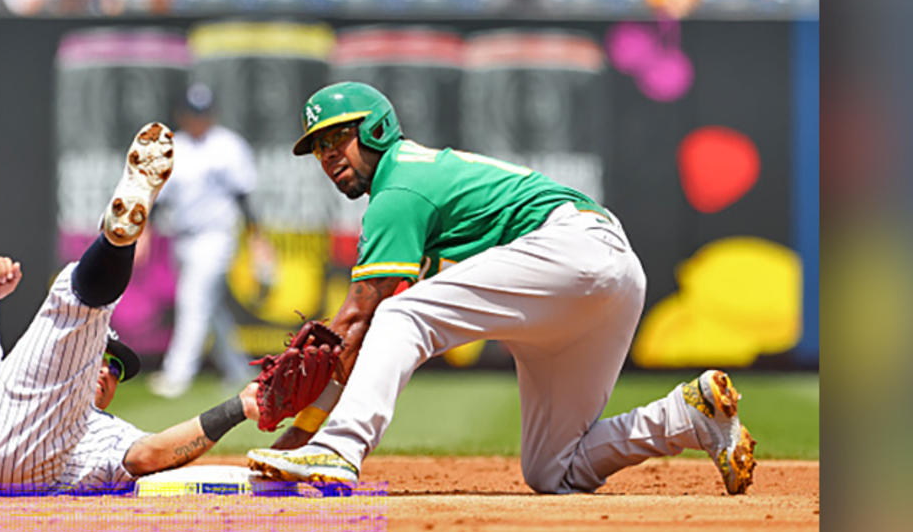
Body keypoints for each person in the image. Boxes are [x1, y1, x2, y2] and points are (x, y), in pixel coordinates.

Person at [246, 82, 757, 495]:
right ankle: (685, 417)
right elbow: (356, 345)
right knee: (552, 472)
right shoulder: (414, 179)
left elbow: (358, 321)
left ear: (378, 129)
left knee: (400, 314)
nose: (328, 155)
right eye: (318, 147)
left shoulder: (398, 187)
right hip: (604, 276)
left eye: (339, 138)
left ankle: (340, 450)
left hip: (572, 250)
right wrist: (295, 443)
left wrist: (297, 434)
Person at [0, 67, 259, 493]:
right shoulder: (23, 388)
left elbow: (150, 453)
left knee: (11, 285)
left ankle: (114, 239)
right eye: (103, 356)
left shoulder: (103, 429)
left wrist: (237, 407)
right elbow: (148, 457)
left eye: (116, 368)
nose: (106, 370)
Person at [146, 83, 270, 399]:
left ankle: (177, 375)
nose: (198, 119)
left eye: (203, 113)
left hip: (216, 237)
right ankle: (239, 370)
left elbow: (244, 197)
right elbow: (159, 199)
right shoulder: (175, 146)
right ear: (182, 115)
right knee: (211, 309)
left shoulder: (228, 146)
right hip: (183, 238)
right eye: (192, 113)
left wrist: (257, 238)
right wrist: (145, 230)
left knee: (193, 300)